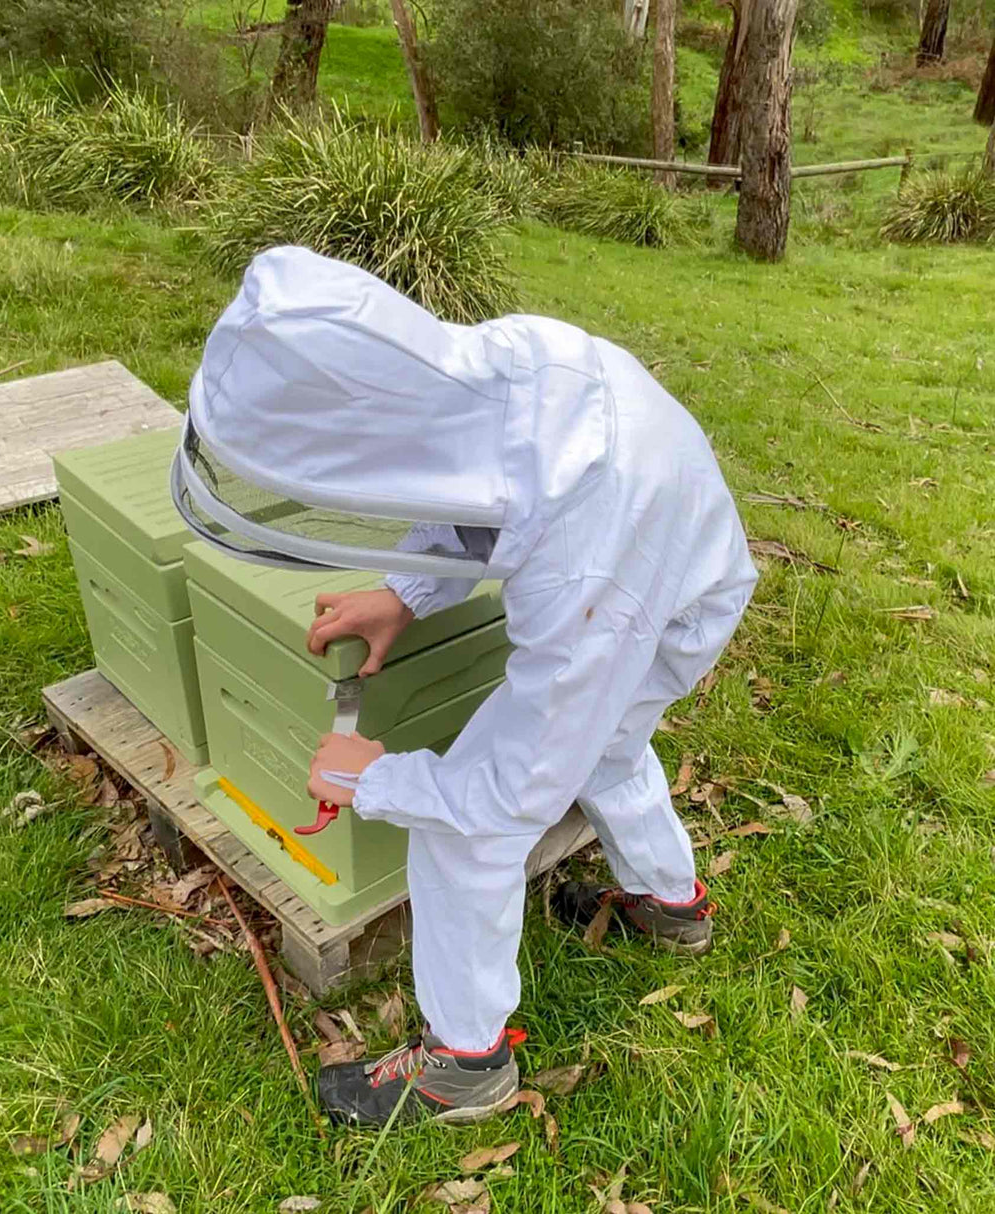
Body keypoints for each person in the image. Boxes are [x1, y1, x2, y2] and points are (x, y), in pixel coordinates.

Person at [174, 245, 757, 1129]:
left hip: (655, 602)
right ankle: (672, 908)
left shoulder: (583, 570)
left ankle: (464, 1064)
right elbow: (468, 488)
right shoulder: (506, 368)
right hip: (677, 565)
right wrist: (401, 592)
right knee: (607, 745)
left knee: (463, 835)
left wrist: (374, 778)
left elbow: (507, 794)